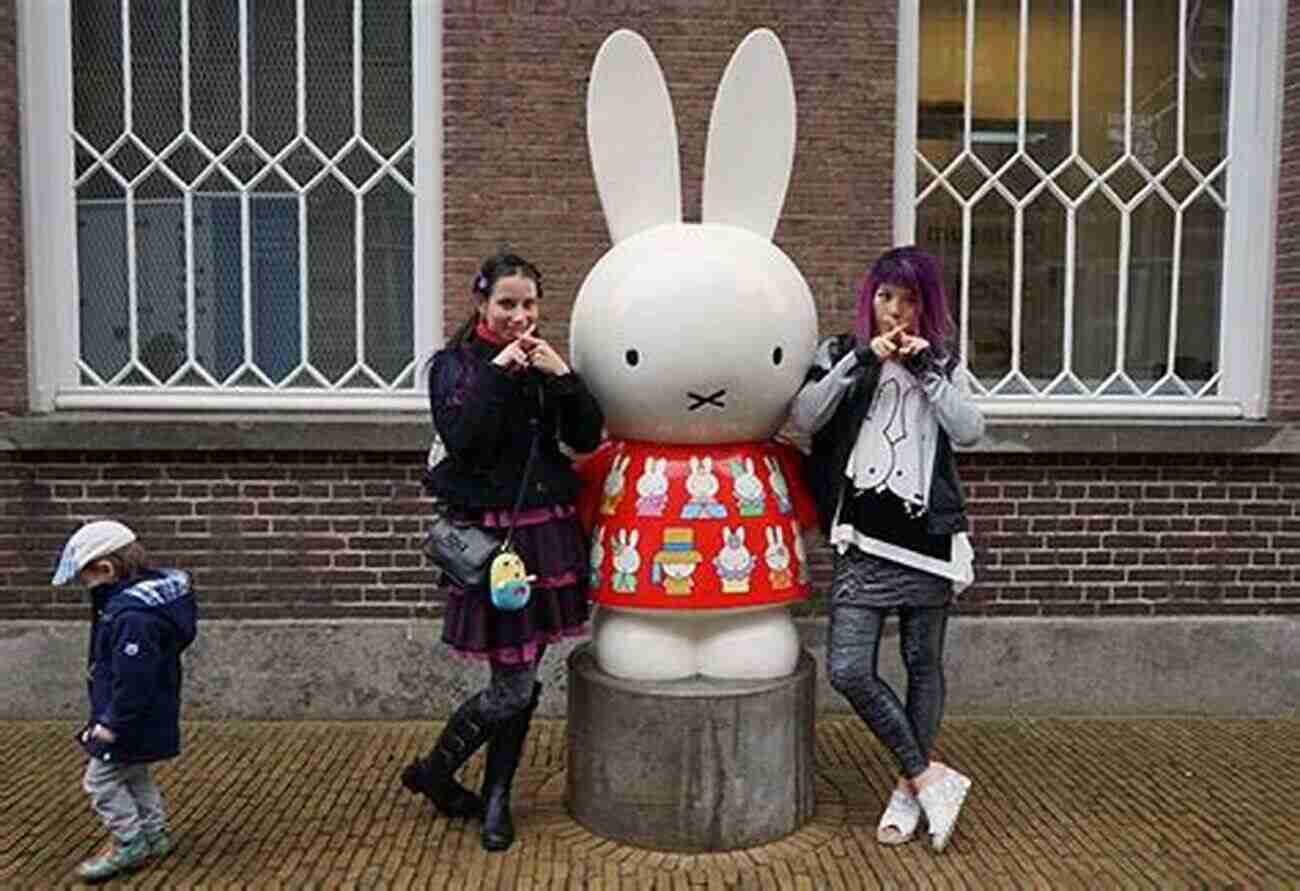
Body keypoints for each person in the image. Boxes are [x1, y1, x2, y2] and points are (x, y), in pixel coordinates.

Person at [401, 252, 604, 852]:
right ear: (481, 304)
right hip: (493, 538)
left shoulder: (543, 366)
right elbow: (464, 444)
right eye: (507, 304)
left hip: (548, 532)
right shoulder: (455, 366)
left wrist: (562, 375)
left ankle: (480, 791)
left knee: (524, 670)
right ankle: (449, 778)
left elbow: (586, 436)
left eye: (529, 304)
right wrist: (498, 370)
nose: (520, 316)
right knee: (514, 682)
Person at [790, 246, 985, 853]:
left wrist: (928, 371)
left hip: (926, 538)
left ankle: (909, 790)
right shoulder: (838, 352)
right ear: (869, 299)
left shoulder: (944, 363)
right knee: (850, 668)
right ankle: (930, 775)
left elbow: (970, 430)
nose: (895, 312)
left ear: (927, 306)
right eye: (885, 297)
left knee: (924, 665)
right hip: (862, 538)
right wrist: (858, 360)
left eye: (908, 299)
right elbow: (805, 415)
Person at [51, 519, 199, 882]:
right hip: (145, 715)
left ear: (106, 569)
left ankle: (129, 841)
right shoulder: (143, 604)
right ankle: (154, 832)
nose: (85, 585)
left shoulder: (133, 618)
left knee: (100, 781)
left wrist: (110, 723)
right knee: (134, 774)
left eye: (86, 577)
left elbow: (134, 681)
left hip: (128, 720)